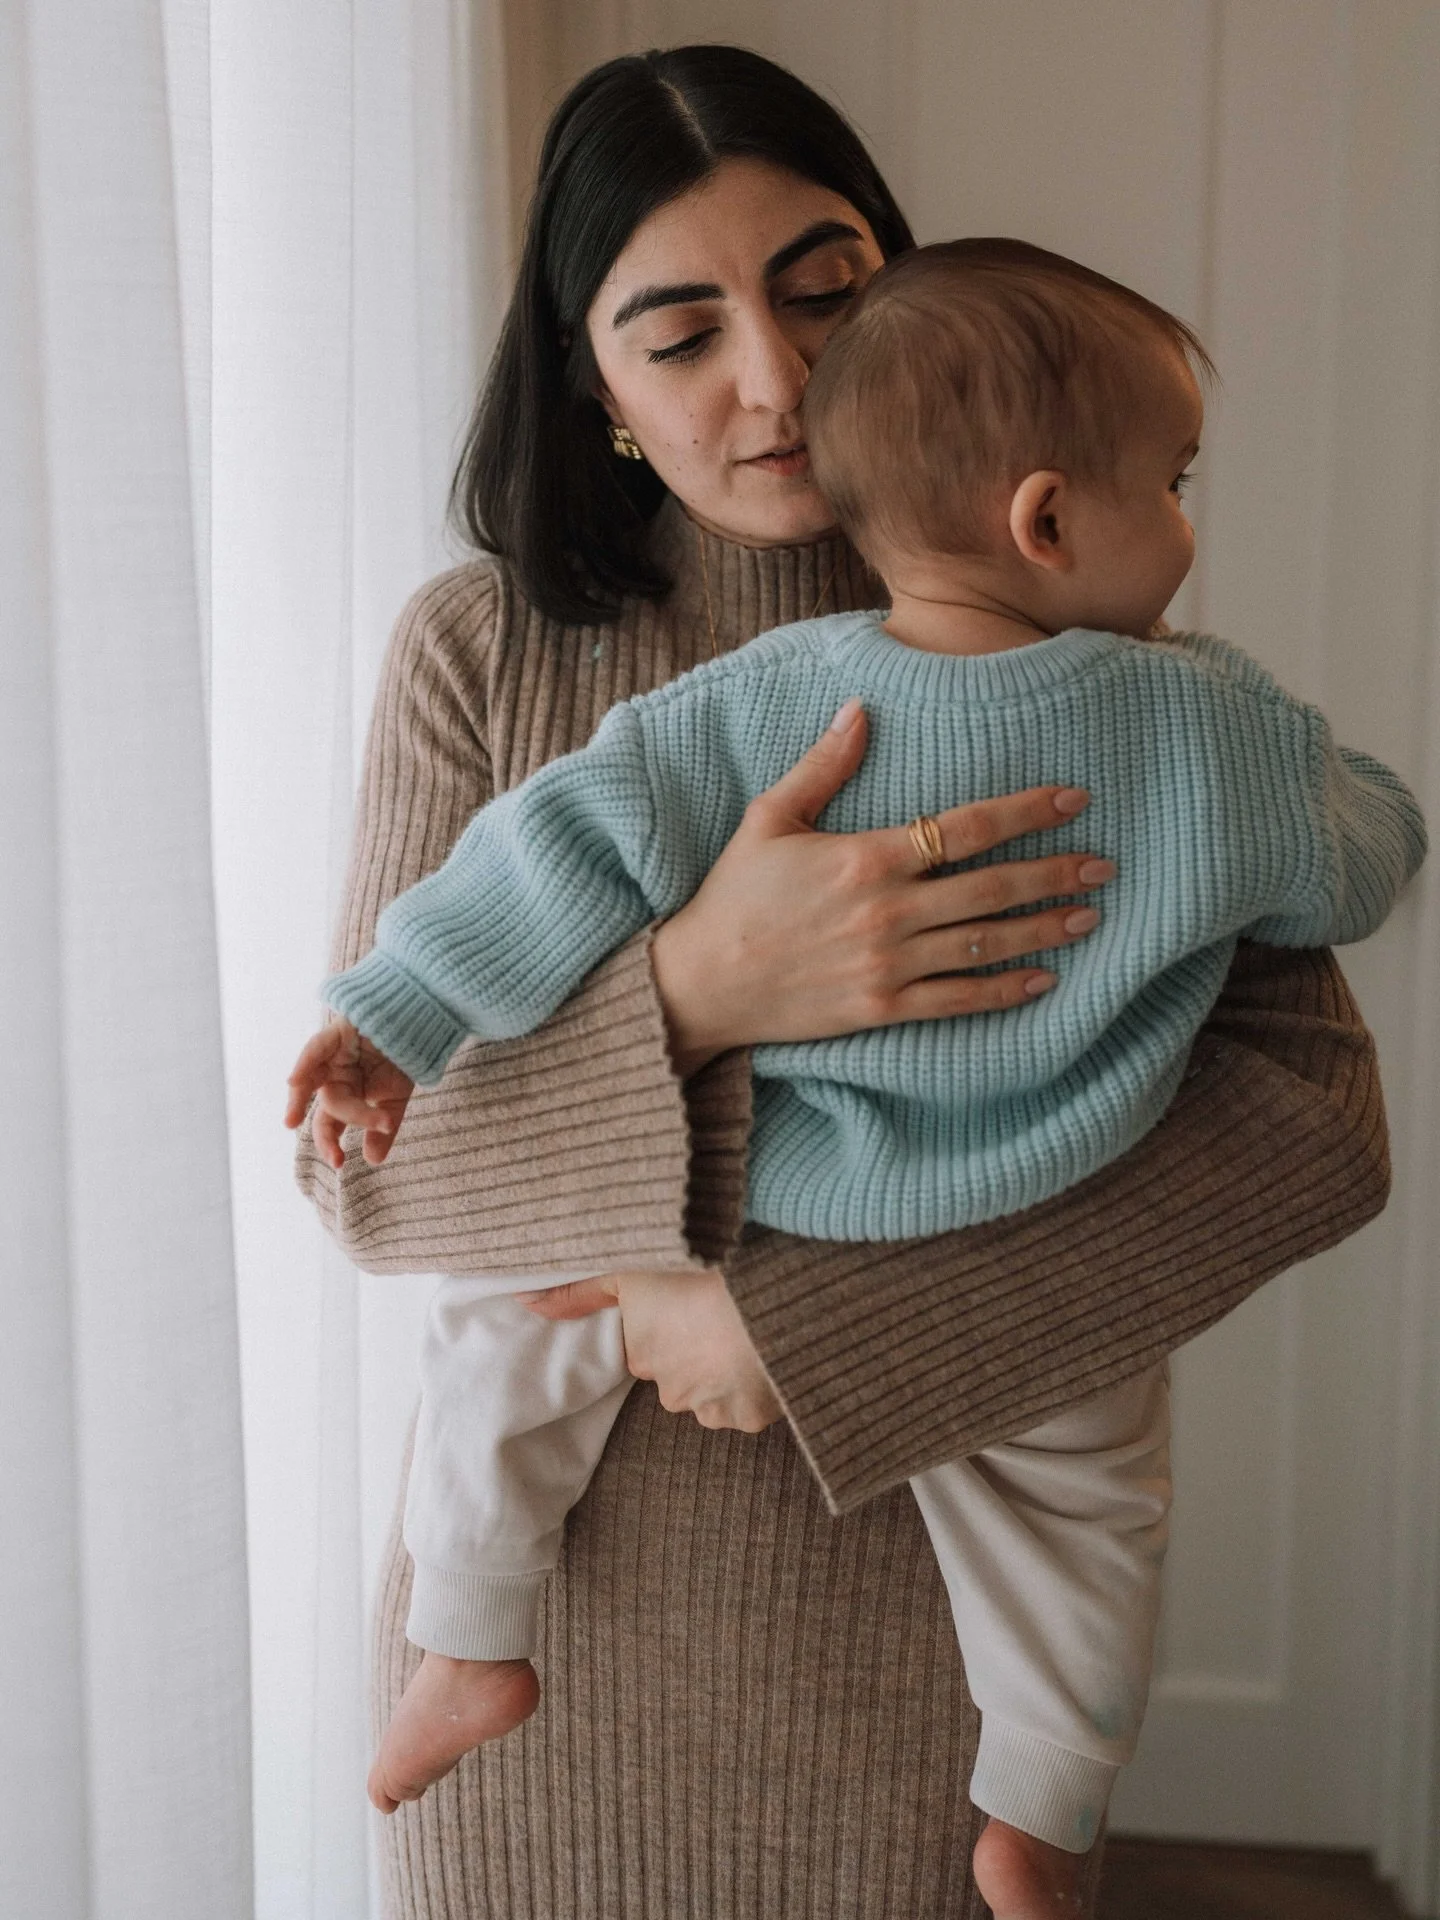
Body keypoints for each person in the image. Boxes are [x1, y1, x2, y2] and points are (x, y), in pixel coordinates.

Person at [293, 47, 1395, 1920]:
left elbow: (1310, 1134)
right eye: (680, 331)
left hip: (939, 1651)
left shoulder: (1097, 654)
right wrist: (699, 992)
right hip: (554, 1638)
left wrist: (801, 1332)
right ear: (599, 387)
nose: (778, 380)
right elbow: (368, 1168)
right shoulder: (477, 652)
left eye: (824, 289)